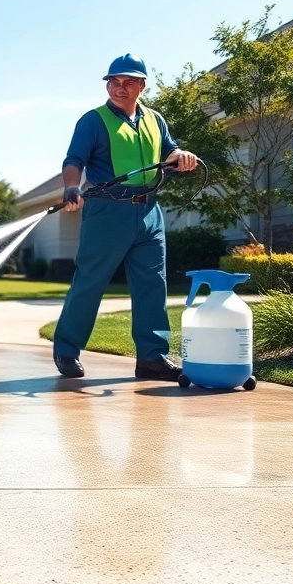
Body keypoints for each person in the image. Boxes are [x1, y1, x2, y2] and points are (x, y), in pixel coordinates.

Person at [52, 54, 198, 380]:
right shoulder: (93, 120)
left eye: (128, 81)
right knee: (90, 282)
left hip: (149, 211)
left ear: (142, 86)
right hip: (107, 211)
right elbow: (74, 159)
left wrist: (182, 156)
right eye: (114, 82)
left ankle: (152, 358)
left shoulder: (155, 120)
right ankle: (66, 350)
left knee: (152, 285)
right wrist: (72, 187)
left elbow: (168, 152)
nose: (119, 88)